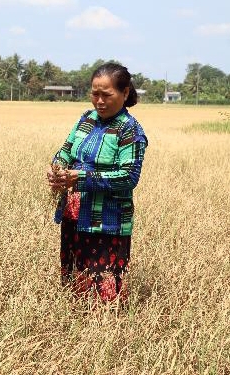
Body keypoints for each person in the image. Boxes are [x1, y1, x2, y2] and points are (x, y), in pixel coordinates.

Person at [47, 62, 148, 303]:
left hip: (107, 220)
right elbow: (66, 150)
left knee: (103, 281)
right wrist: (57, 168)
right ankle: (76, 322)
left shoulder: (130, 130)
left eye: (107, 95)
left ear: (124, 93)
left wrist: (79, 177)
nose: (99, 101)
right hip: (75, 212)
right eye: (95, 94)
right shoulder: (86, 119)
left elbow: (128, 177)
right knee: (74, 273)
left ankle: (105, 328)